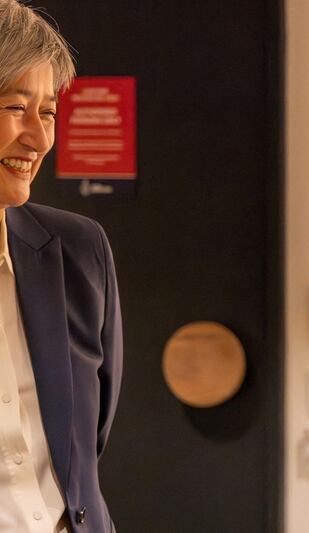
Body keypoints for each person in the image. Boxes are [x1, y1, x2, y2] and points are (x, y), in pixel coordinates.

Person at [0, 1, 122, 531]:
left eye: (47, 111)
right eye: (13, 108)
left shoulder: (78, 248)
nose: (40, 138)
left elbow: (86, 444)